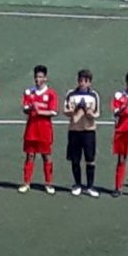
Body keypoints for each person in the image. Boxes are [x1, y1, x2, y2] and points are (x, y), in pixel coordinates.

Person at [19, 65, 59, 194]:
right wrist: (30, 108)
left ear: (45, 78)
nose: (38, 79)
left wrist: (39, 110)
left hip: (45, 130)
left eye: (40, 77)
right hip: (31, 129)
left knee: (46, 156)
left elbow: (53, 112)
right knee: (30, 155)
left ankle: (48, 184)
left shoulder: (51, 93)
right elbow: (25, 109)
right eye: (36, 77)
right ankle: (26, 183)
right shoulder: (29, 92)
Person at [64, 69, 101, 197]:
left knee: (90, 160)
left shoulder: (94, 95)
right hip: (74, 131)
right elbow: (66, 112)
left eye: (85, 81)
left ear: (89, 82)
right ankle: (77, 184)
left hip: (89, 131)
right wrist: (74, 110)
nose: (82, 83)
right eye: (80, 80)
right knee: (75, 159)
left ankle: (90, 186)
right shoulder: (71, 94)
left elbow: (96, 114)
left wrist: (87, 110)